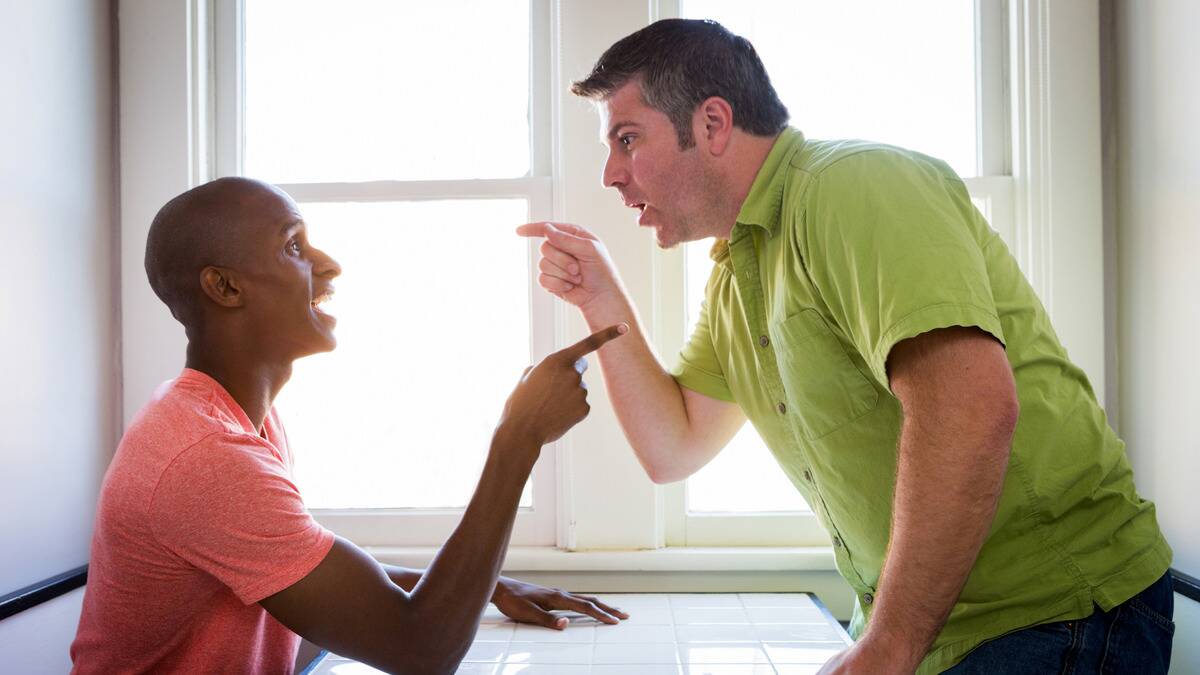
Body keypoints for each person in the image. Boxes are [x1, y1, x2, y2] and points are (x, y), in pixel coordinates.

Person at [519, 18, 1174, 674]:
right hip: (947, 630)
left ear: (713, 123)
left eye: (627, 139)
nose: (610, 173)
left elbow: (970, 409)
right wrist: (600, 296)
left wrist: (888, 646)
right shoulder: (738, 275)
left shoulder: (852, 188)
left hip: (1056, 614)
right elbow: (673, 444)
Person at [70, 177, 628, 674]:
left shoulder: (224, 417)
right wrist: (519, 437)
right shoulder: (207, 457)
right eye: (294, 246)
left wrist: (486, 589)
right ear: (225, 288)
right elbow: (421, 652)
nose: (329, 264)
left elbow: (298, 564)